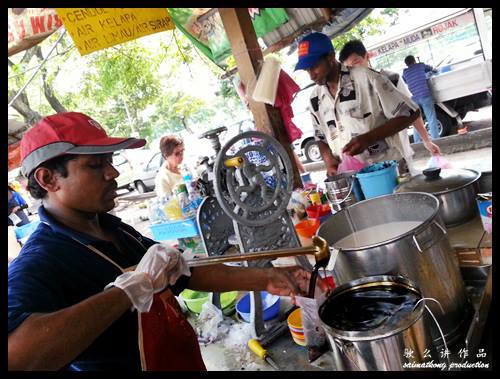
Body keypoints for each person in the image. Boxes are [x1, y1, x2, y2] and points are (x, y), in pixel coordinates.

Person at [8, 112, 322, 371]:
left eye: (109, 160)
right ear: (48, 179)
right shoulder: (41, 261)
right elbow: (17, 355)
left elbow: (183, 272)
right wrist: (129, 290)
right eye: (95, 165)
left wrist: (266, 278)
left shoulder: (114, 229)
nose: (113, 172)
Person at [294, 32, 421, 177]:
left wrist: (368, 138)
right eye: (307, 70)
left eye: (315, 67)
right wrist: (329, 160)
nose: (311, 75)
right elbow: (320, 137)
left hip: (388, 172)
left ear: (330, 57)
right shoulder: (315, 99)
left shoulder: (367, 78)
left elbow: (411, 113)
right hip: (352, 178)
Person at [338, 40, 441, 156]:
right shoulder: (347, 92)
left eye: (356, 63)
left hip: (397, 151)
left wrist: (427, 141)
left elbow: (411, 112)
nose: (354, 71)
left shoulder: (391, 78)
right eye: (349, 68)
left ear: (367, 56)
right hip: (367, 159)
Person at [402, 55, 440, 142]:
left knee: (417, 121)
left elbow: (405, 81)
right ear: (414, 61)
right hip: (425, 95)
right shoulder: (420, 65)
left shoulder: (405, 72)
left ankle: (417, 142)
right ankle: (436, 140)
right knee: (431, 118)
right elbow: (432, 69)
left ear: (406, 64)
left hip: (414, 99)